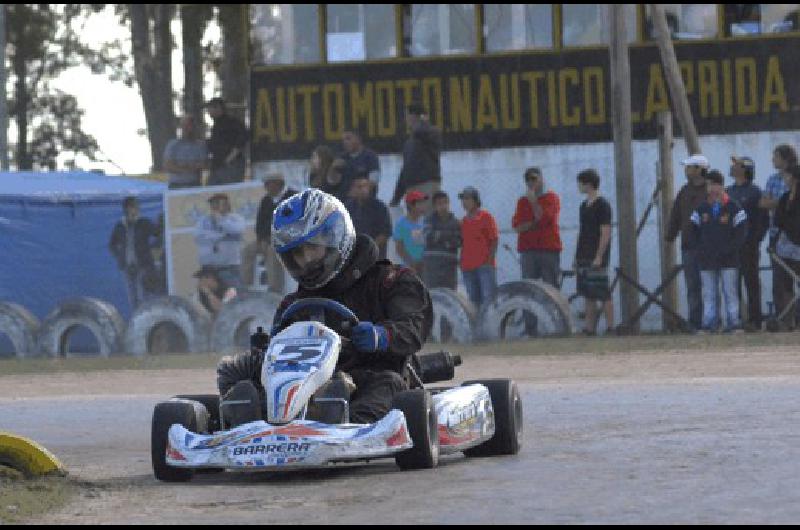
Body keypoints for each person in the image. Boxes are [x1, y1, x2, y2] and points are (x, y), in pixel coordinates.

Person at [215, 189, 433, 425]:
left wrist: (382, 336)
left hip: (375, 376)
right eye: (297, 253)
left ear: (336, 237)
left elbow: (414, 327)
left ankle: (346, 424)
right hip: (307, 385)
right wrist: (267, 352)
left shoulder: (391, 280)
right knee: (235, 373)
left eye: (312, 247)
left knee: (386, 383)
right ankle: (249, 421)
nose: (306, 260)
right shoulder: (293, 304)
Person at [690, 170, 748, 333]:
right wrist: (699, 250)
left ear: (721, 186)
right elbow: (692, 231)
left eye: (715, 185)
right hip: (707, 259)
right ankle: (709, 324)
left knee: (730, 291)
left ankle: (734, 323)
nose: (712, 188)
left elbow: (741, 232)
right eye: (709, 185)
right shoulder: (701, 208)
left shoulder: (733, 207)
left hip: (728, 259)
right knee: (709, 293)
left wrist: (730, 249)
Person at [666, 154, 710, 331]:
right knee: (692, 287)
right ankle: (695, 322)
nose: (686, 170)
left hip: (709, 247)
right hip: (689, 246)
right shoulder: (684, 191)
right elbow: (676, 215)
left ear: (699, 169)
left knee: (710, 286)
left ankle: (711, 321)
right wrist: (670, 236)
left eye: (690, 167)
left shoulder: (711, 191)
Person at [726, 156, 768, 331]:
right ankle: (735, 321)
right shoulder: (728, 192)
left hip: (748, 246)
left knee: (751, 283)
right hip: (730, 247)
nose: (732, 167)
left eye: (736, 165)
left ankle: (755, 320)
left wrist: (756, 240)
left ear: (745, 170)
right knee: (731, 285)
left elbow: (762, 219)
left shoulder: (755, 192)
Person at [760, 144, 798, 321]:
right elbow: (764, 203)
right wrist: (782, 203)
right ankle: (785, 318)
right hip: (779, 238)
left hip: (796, 239)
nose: (772, 160)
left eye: (776, 156)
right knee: (781, 281)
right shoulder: (774, 180)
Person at [242, 173, 297, 292]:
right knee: (247, 250)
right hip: (267, 238)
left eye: (269, 184)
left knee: (273, 251)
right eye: (265, 184)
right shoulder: (266, 200)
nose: (266, 187)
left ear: (278, 184)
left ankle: (275, 287)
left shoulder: (293, 197)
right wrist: (261, 239)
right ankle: (246, 286)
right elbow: (260, 223)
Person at [574, 169, 614, 335]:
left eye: (580, 183)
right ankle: (589, 328)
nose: (579, 186)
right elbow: (582, 231)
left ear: (588, 184)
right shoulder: (583, 206)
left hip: (596, 254)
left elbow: (605, 231)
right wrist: (576, 255)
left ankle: (611, 327)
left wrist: (599, 255)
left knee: (602, 292)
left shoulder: (602, 205)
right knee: (588, 293)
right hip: (584, 253)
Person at [512, 167, 562, 288]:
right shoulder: (522, 201)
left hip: (548, 249)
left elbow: (544, 218)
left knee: (550, 287)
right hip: (528, 250)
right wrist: (534, 223)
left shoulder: (551, 197)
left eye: (534, 178)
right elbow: (517, 227)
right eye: (527, 179)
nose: (531, 182)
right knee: (528, 287)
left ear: (541, 179)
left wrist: (534, 201)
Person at [109, 196, 159, 310]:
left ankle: (145, 322)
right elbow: (112, 244)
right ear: (126, 209)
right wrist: (119, 256)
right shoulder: (120, 225)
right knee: (132, 297)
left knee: (143, 296)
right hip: (127, 266)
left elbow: (158, 233)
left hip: (143, 265)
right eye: (133, 207)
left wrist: (152, 248)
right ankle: (136, 322)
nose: (136, 209)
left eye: (136, 207)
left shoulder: (144, 223)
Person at [390, 103, 442, 210]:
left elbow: (423, 131)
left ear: (413, 116)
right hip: (411, 188)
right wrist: (396, 197)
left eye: (407, 116)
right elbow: (405, 170)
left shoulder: (430, 133)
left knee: (427, 221)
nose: (406, 120)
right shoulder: (409, 143)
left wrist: (422, 121)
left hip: (427, 185)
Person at [194, 193, 246, 288]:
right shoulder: (203, 220)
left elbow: (237, 229)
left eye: (218, 203)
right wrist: (221, 236)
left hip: (229, 266)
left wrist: (221, 220)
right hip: (208, 267)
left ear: (227, 204)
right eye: (213, 203)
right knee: (209, 295)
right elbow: (198, 236)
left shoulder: (236, 218)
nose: (215, 206)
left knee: (236, 293)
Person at [459, 186, 499, 310]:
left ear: (476, 200)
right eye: (463, 199)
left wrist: (489, 260)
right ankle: (478, 329)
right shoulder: (463, 222)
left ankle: (491, 327)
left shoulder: (486, 217)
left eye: (467, 199)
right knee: (473, 301)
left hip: (484, 265)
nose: (464, 202)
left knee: (488, 299)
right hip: (467, 267)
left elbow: (494, 239)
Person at [772, 165, 800, 330]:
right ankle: (787, 321)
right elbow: (778, 223)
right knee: (784, 286)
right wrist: (773, 244)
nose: (786, 180)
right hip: (786, 251)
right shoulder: (784, 199)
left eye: (789, 177)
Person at [345, 175, 392, 259]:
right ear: (353, 189)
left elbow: (385, 233)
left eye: (365, 186)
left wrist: (369, 248)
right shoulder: (348, 207)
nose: (363, 190)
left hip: (375, 257)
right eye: (359, 187)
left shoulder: (380, 207)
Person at [422, 191, 461, 290]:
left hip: (449, 267)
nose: (443, 206)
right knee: (432, 295)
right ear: (434, 206)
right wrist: (449, 237)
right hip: (432, 267)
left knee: (449, 296)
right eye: (440, 204)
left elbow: (458, 242)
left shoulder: (456, 223)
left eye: (445, 203)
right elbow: (428, 237)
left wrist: (439, 235)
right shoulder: (428, 220)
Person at [205, 97, 248, 185]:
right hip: (217, 165)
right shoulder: (216, 125)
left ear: (219, 108)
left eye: (210, 108)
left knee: (230, 192)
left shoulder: (232, 122)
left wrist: (230, 158)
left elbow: (242, 139)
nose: (209, 112)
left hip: (231, 166)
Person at [163, 115, 207, 189]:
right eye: (184, 126)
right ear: (180, 127)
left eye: (189, 125)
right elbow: (168, 166)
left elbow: (203, 164)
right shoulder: (172, 144)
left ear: (194, 127)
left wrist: (180, 167)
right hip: (175, 185)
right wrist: (189, 168)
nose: (186, 128)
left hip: (194, 185)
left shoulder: (200, 145)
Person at [393, 190, 428, 275]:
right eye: (420, 203)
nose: (424, 206)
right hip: (408, 268)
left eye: (424, 203)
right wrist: (411, 263)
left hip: (426, 266)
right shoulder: (401, 224)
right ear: (411, 205)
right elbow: (399, 248)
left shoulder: (426, 221)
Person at [340, 128, 381, 197]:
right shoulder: (341, 158)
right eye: (343, 140)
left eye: (348, 139)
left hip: (366, 201)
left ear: (358, 139)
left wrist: (359, 189)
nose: (345, 142)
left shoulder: (370, 156)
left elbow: (374, 181)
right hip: (345, 202)